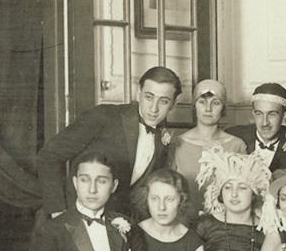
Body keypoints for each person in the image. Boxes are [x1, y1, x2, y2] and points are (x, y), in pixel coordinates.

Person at [37, 66, 180, 217]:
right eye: (149, 97)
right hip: (75, 219)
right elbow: (48, 156)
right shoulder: (104, 116)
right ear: (138, 93)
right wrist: (58, 211)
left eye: (163, 101)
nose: (154, 108)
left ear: (173, 104)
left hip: (119, 228)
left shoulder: (163, 138)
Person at [167, 79, 246, 210]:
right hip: (185, 218)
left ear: (223, 108)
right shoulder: (177, 144)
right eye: (202, 102)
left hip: (223, 221)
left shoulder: (236, 145)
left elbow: (244, 190)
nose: (208, 109)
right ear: (194, 106)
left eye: (215, 103)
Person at [194, 147, 272, 251]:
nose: (234, 194)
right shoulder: (205, 224)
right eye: (228, 188)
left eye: (242, 188)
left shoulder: (265, 229)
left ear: (253, 194)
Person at [225, 82, 286, 166]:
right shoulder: (234, 135)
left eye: (272, 114)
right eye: (259, 113)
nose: (265, 123)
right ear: (253, 113)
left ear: (284, 116)